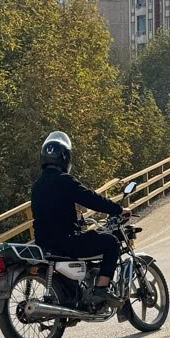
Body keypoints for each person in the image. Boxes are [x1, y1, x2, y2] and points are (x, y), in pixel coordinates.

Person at [30, 131, 130, 309]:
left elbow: (52, 210)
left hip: (44, 244)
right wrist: (118, 209)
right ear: (65, 158)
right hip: (66, 242)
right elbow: (90, 198)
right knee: (111, 242)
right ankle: (100, 288)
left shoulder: (37, 185)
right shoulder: (64, 181)